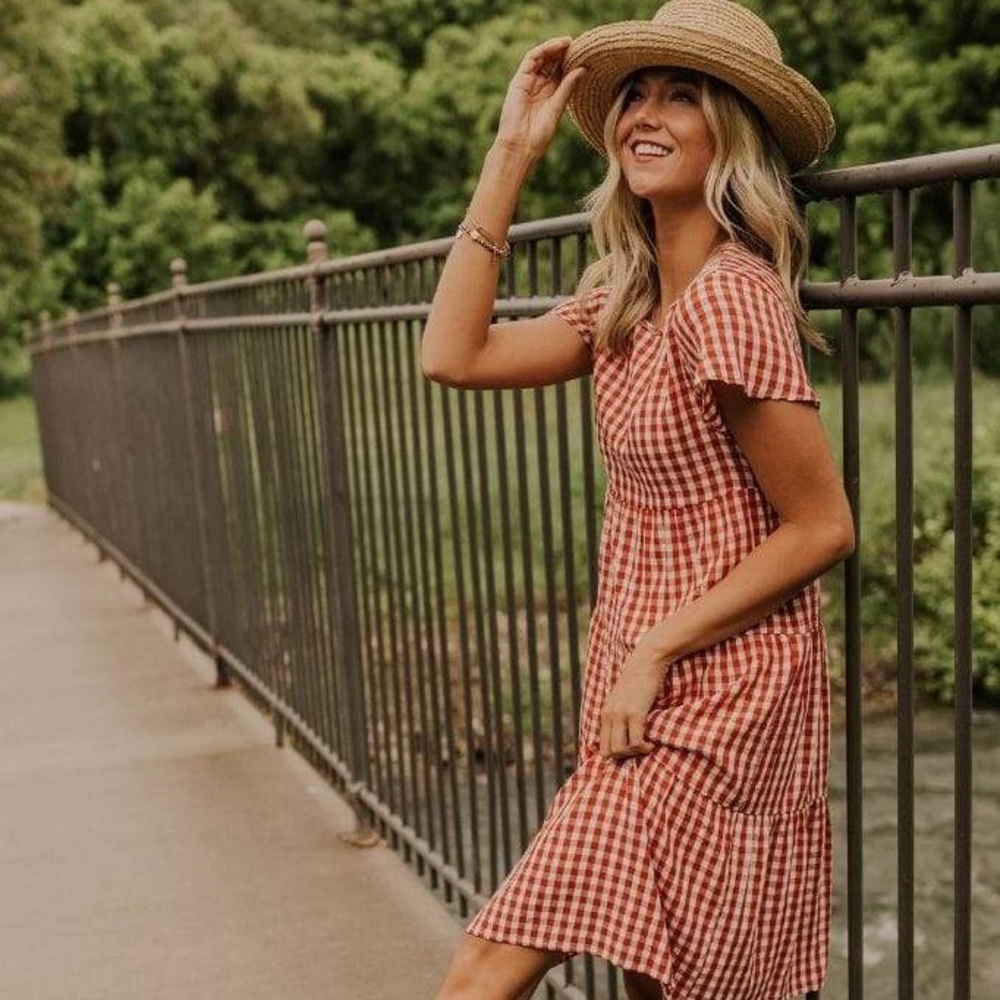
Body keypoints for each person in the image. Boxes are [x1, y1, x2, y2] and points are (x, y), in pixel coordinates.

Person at [420, 1, 855, 997]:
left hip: (718, 688)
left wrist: (656, 647)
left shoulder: (729, 298)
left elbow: (823, 524)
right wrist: (510, 150)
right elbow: (452, 355)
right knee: (662, 976)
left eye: (682, 95)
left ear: (730, 131)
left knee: (488, 962)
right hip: (638, 680)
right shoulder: (626, 297)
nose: (645, 116)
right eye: (634, 96)